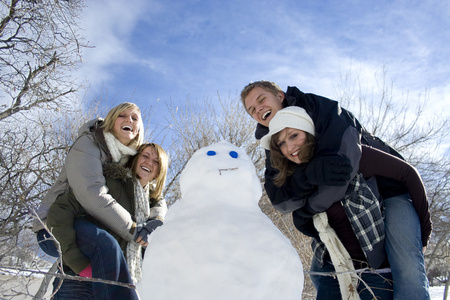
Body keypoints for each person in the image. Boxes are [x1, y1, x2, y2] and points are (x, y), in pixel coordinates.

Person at [241, 81, 431, 299]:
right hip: (342, 223)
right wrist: (305, 178)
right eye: (251, 109)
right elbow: (280, 198)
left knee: (407, 265)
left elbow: (343, 168)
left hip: (390, 186)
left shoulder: (318, 109)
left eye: (261, 99)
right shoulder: (275, 144)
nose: (258, 109)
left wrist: (307, 209)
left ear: (280, 95)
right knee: (322, 271)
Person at [33, 102, 146, 299]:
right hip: (55, 226)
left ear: (139, 129)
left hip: (89, 238)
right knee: (105, 244)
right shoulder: (89, 143)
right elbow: (91, 193)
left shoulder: (127, 162)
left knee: (104, 251)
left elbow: (151, 192)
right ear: (111, 120)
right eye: (122, 115)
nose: (129, 120)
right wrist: (133, 230)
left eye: (134, 118)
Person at [47, 143, 168, 298]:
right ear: (136, 159)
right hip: (79, 280)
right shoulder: (112, 183)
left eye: (156, 161)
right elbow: (61, 209)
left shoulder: (151, 208)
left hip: (121, 284)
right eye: (145, 156)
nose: (149, 162)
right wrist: (76, 261)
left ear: (160, 171)